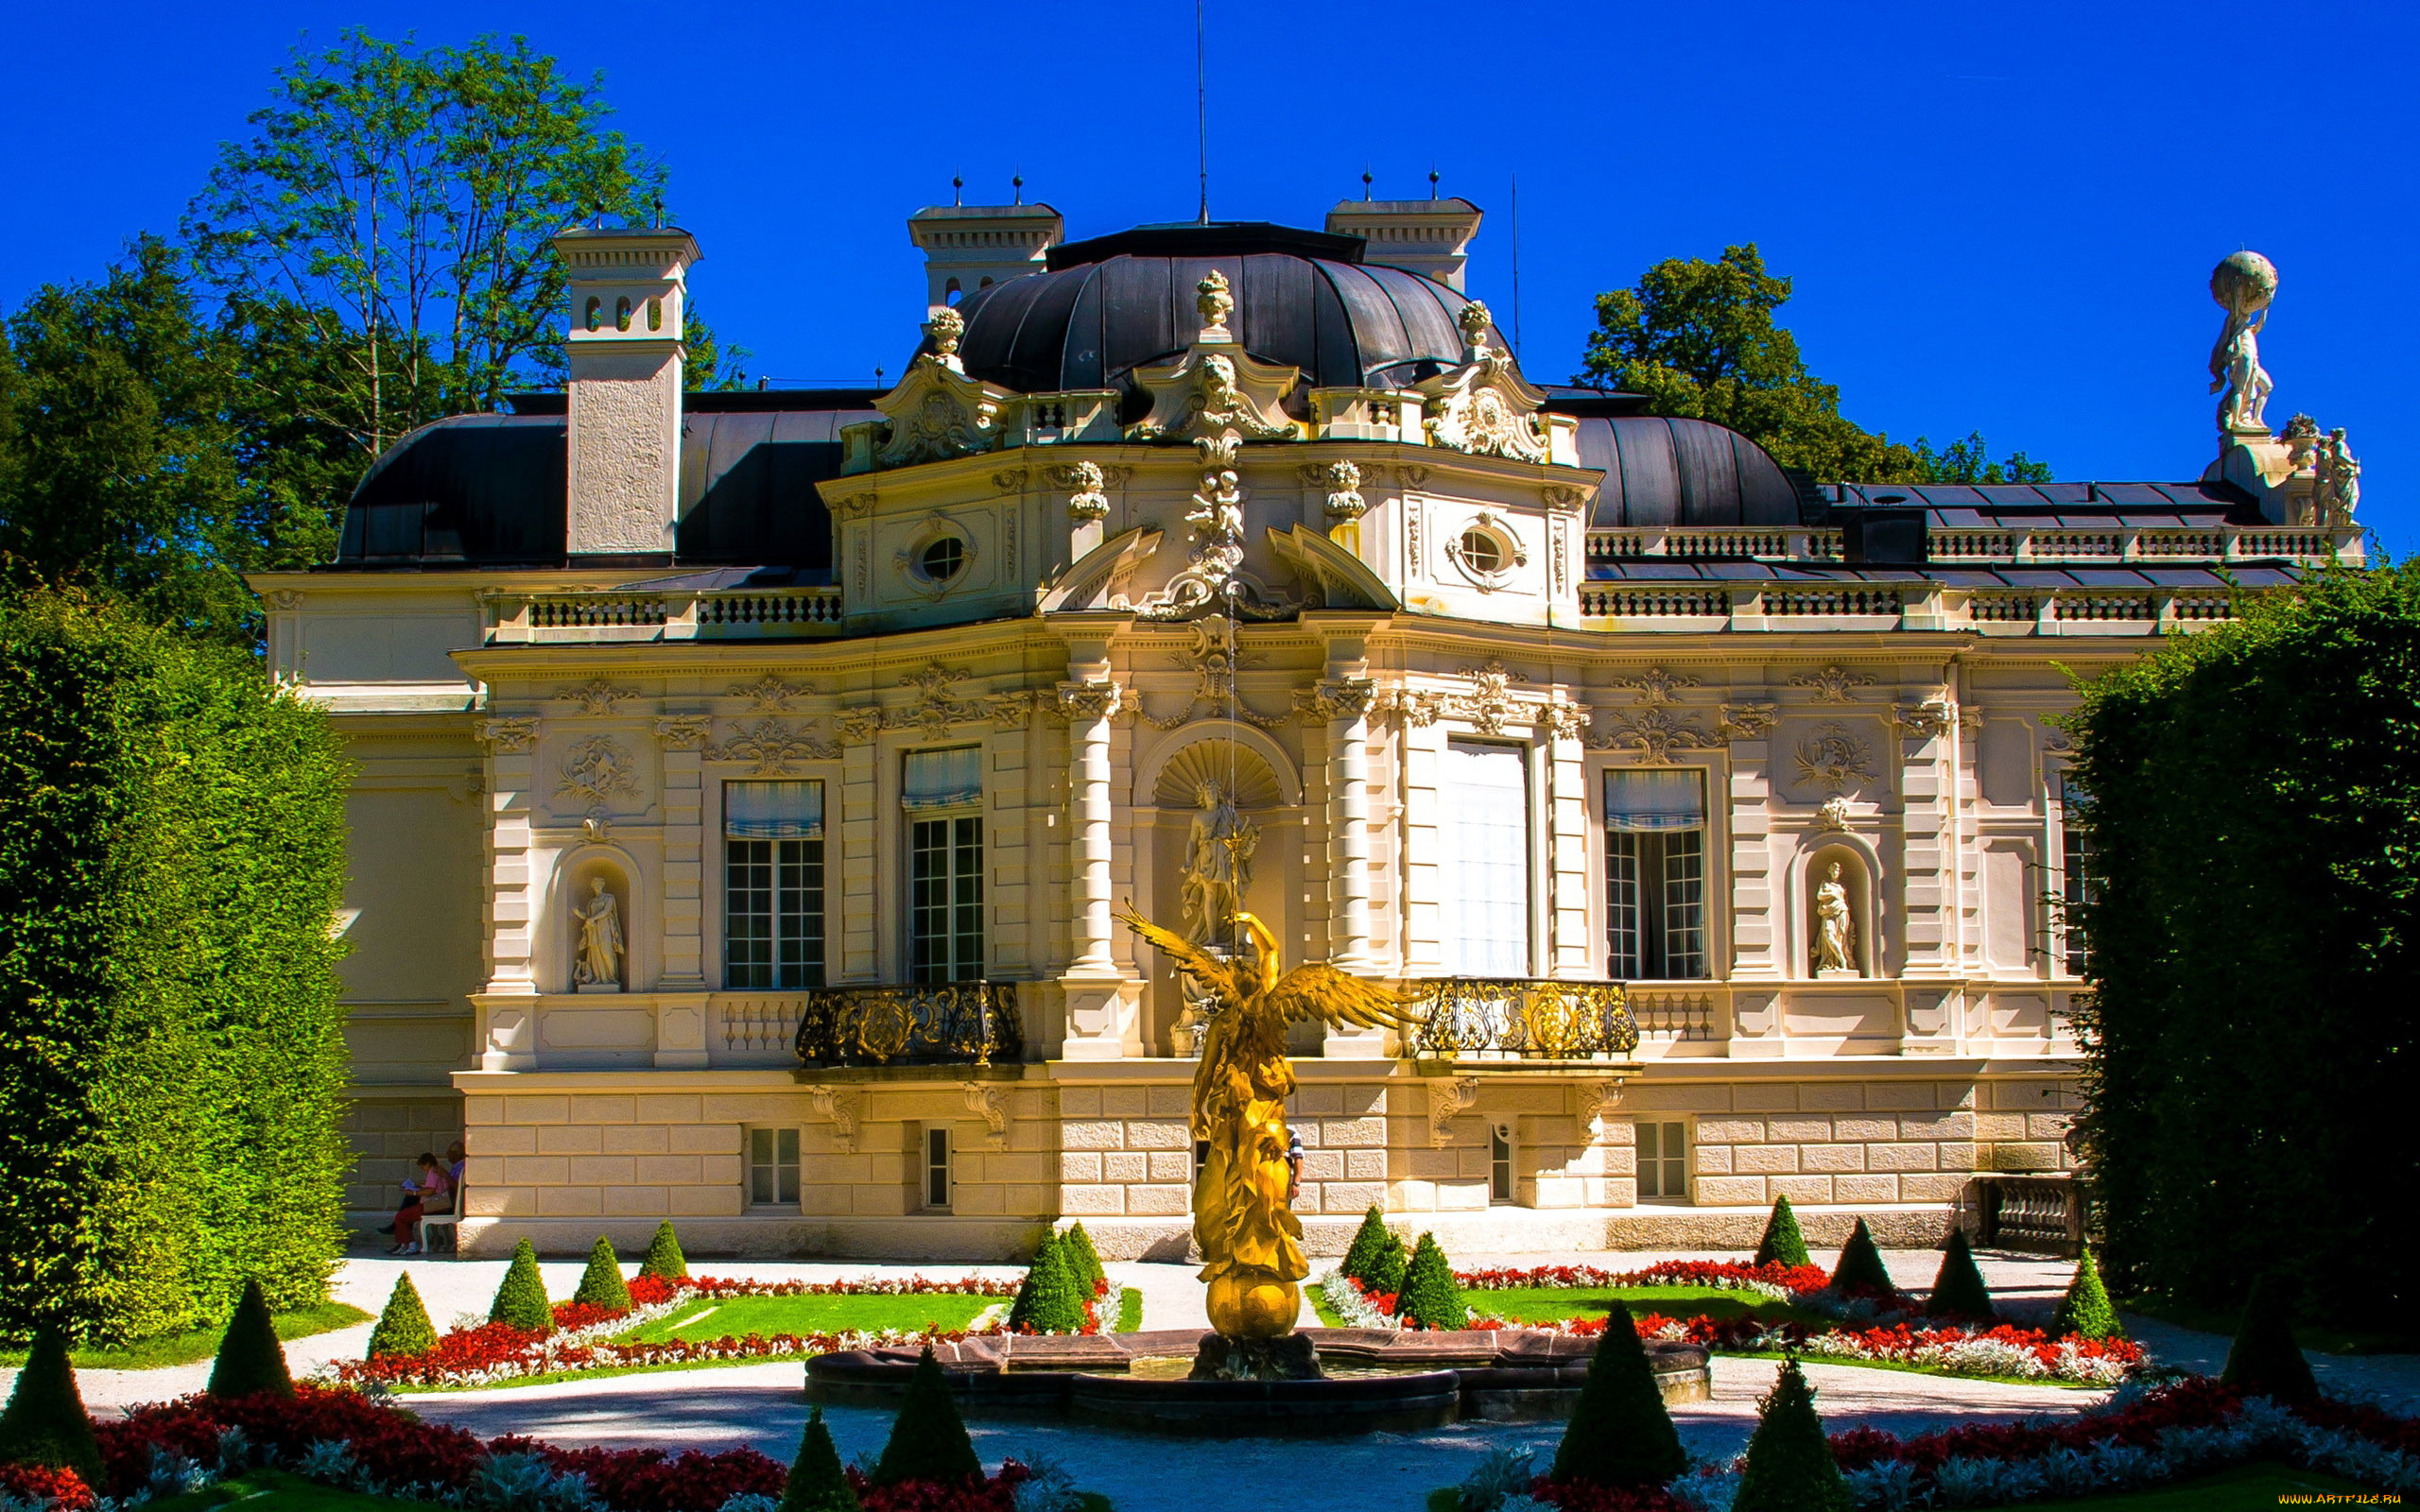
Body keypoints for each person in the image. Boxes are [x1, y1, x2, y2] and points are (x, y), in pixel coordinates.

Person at [392, 1152, 452, 1256]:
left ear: (428, 1163)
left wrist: (413, 1192)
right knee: (404, 1215)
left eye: (422, 1166)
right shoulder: (439, 1170)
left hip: (433, 1206)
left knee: (400, 1217)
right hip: (442, 1205)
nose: (422, 1169)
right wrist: (419, 1187)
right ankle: (405, 1244)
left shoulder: (433, 1172)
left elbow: (431, 1191)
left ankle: (410, 1244)